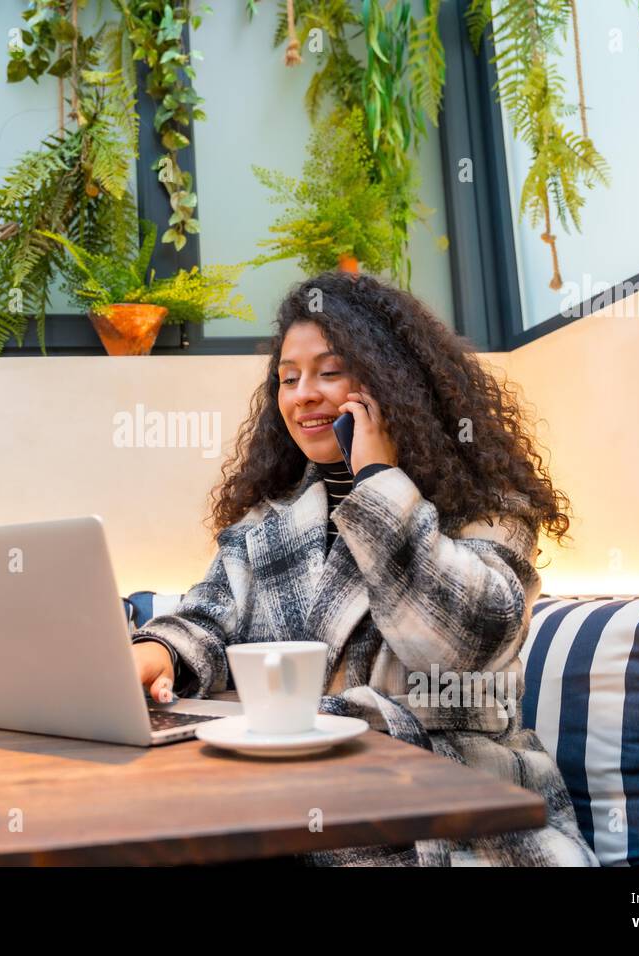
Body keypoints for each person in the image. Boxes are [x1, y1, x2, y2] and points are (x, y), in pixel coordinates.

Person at [129, 271, 599, 867]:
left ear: (391, 379)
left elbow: (463, 645)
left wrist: (379, 483)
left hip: (463, 823)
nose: (303, 395)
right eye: (288, 378)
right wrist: (159, 654)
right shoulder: (267, 525)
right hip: (304, 816)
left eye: (330, 372)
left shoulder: (490, 513)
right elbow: (207, 617)